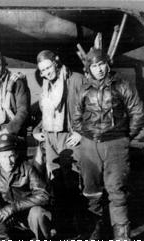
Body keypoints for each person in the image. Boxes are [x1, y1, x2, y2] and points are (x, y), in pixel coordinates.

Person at [73, 48, 144, 241]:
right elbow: (76, 117)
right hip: (89, 146)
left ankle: (123, 237)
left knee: (117, 191)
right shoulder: (84, 89)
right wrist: (88, 136)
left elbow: (138, 112)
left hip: (116, 145)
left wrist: (123, 136)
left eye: (102, 64)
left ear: (108, 64)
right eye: (94, 66)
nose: (99, 69)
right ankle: (94, 231)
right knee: (91, 191)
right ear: (89, 68)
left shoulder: (122, 85)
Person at [0, 134, 52, 241]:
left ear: (16, 154)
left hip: (28, 215)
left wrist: (13, 208)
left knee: (38, 213)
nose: (8, 161)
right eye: (4, 156)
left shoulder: (27, 168)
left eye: (11, 156)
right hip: (9, 218)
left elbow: (43, 195)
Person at [35, 50, 84, 179]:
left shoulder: (76, 79)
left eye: (48, 67)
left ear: (56, 63)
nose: (47, 73)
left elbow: (91, 109)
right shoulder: (46, 85)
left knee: (71, 176)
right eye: (43, 70)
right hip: (50, 137)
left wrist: (81, 132)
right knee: (54, 176)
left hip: (69, 135)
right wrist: (37, 129)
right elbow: (47, 113)